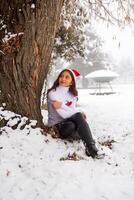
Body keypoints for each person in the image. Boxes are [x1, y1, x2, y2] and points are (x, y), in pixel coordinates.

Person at [47, 68, 103, 159]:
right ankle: (90, 146)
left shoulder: (72, 94)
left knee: (74, 123)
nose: (63, 79)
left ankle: (90, 147)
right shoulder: (53, 93)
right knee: (76, 120)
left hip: (69, 122)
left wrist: (62, 105)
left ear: (72, 82)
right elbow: (64, 114)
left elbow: (70, 111)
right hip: (57, 127)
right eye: (61, 76)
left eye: (67, 77)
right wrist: (78, 111)